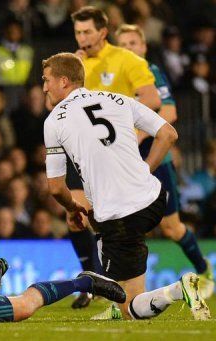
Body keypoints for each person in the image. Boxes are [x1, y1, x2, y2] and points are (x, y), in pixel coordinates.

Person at [41, 52, 210, 321]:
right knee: (101, 233)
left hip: (122, 216)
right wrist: (146, 169)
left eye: (46, 80)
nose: (44, 87)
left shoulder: (54, 121)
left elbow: (55, 187)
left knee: (130, 308)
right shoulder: (117, 99)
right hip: (154, 200)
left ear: (63, 81)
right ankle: (120, 296)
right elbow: (169, 134)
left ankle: (179, 290)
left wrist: (72, 207)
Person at [65, 6, 162, 309]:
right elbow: (55, 105)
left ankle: (111, 281)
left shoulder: (126, 60)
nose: (82, 38)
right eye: (78, 32)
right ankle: (91, 282)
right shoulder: (73, 63)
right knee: (77, 215)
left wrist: (132, 133)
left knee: (105, 217)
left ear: (103, 32)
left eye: (87, 32)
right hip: (81, 151)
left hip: (114, 154)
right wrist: (72, 73)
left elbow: (152, 98)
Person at [115, 23, 214, 301]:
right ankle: (118, 291)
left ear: (143, 47)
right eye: (123, 44)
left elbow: (169, 111)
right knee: (122, 226)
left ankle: (204, 270)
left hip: (156, 159)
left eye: (133, 43)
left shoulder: (150, 73)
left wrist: (137, 134)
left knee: (171, 227)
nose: (129, 49)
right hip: (122, 163)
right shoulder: (112, 77)